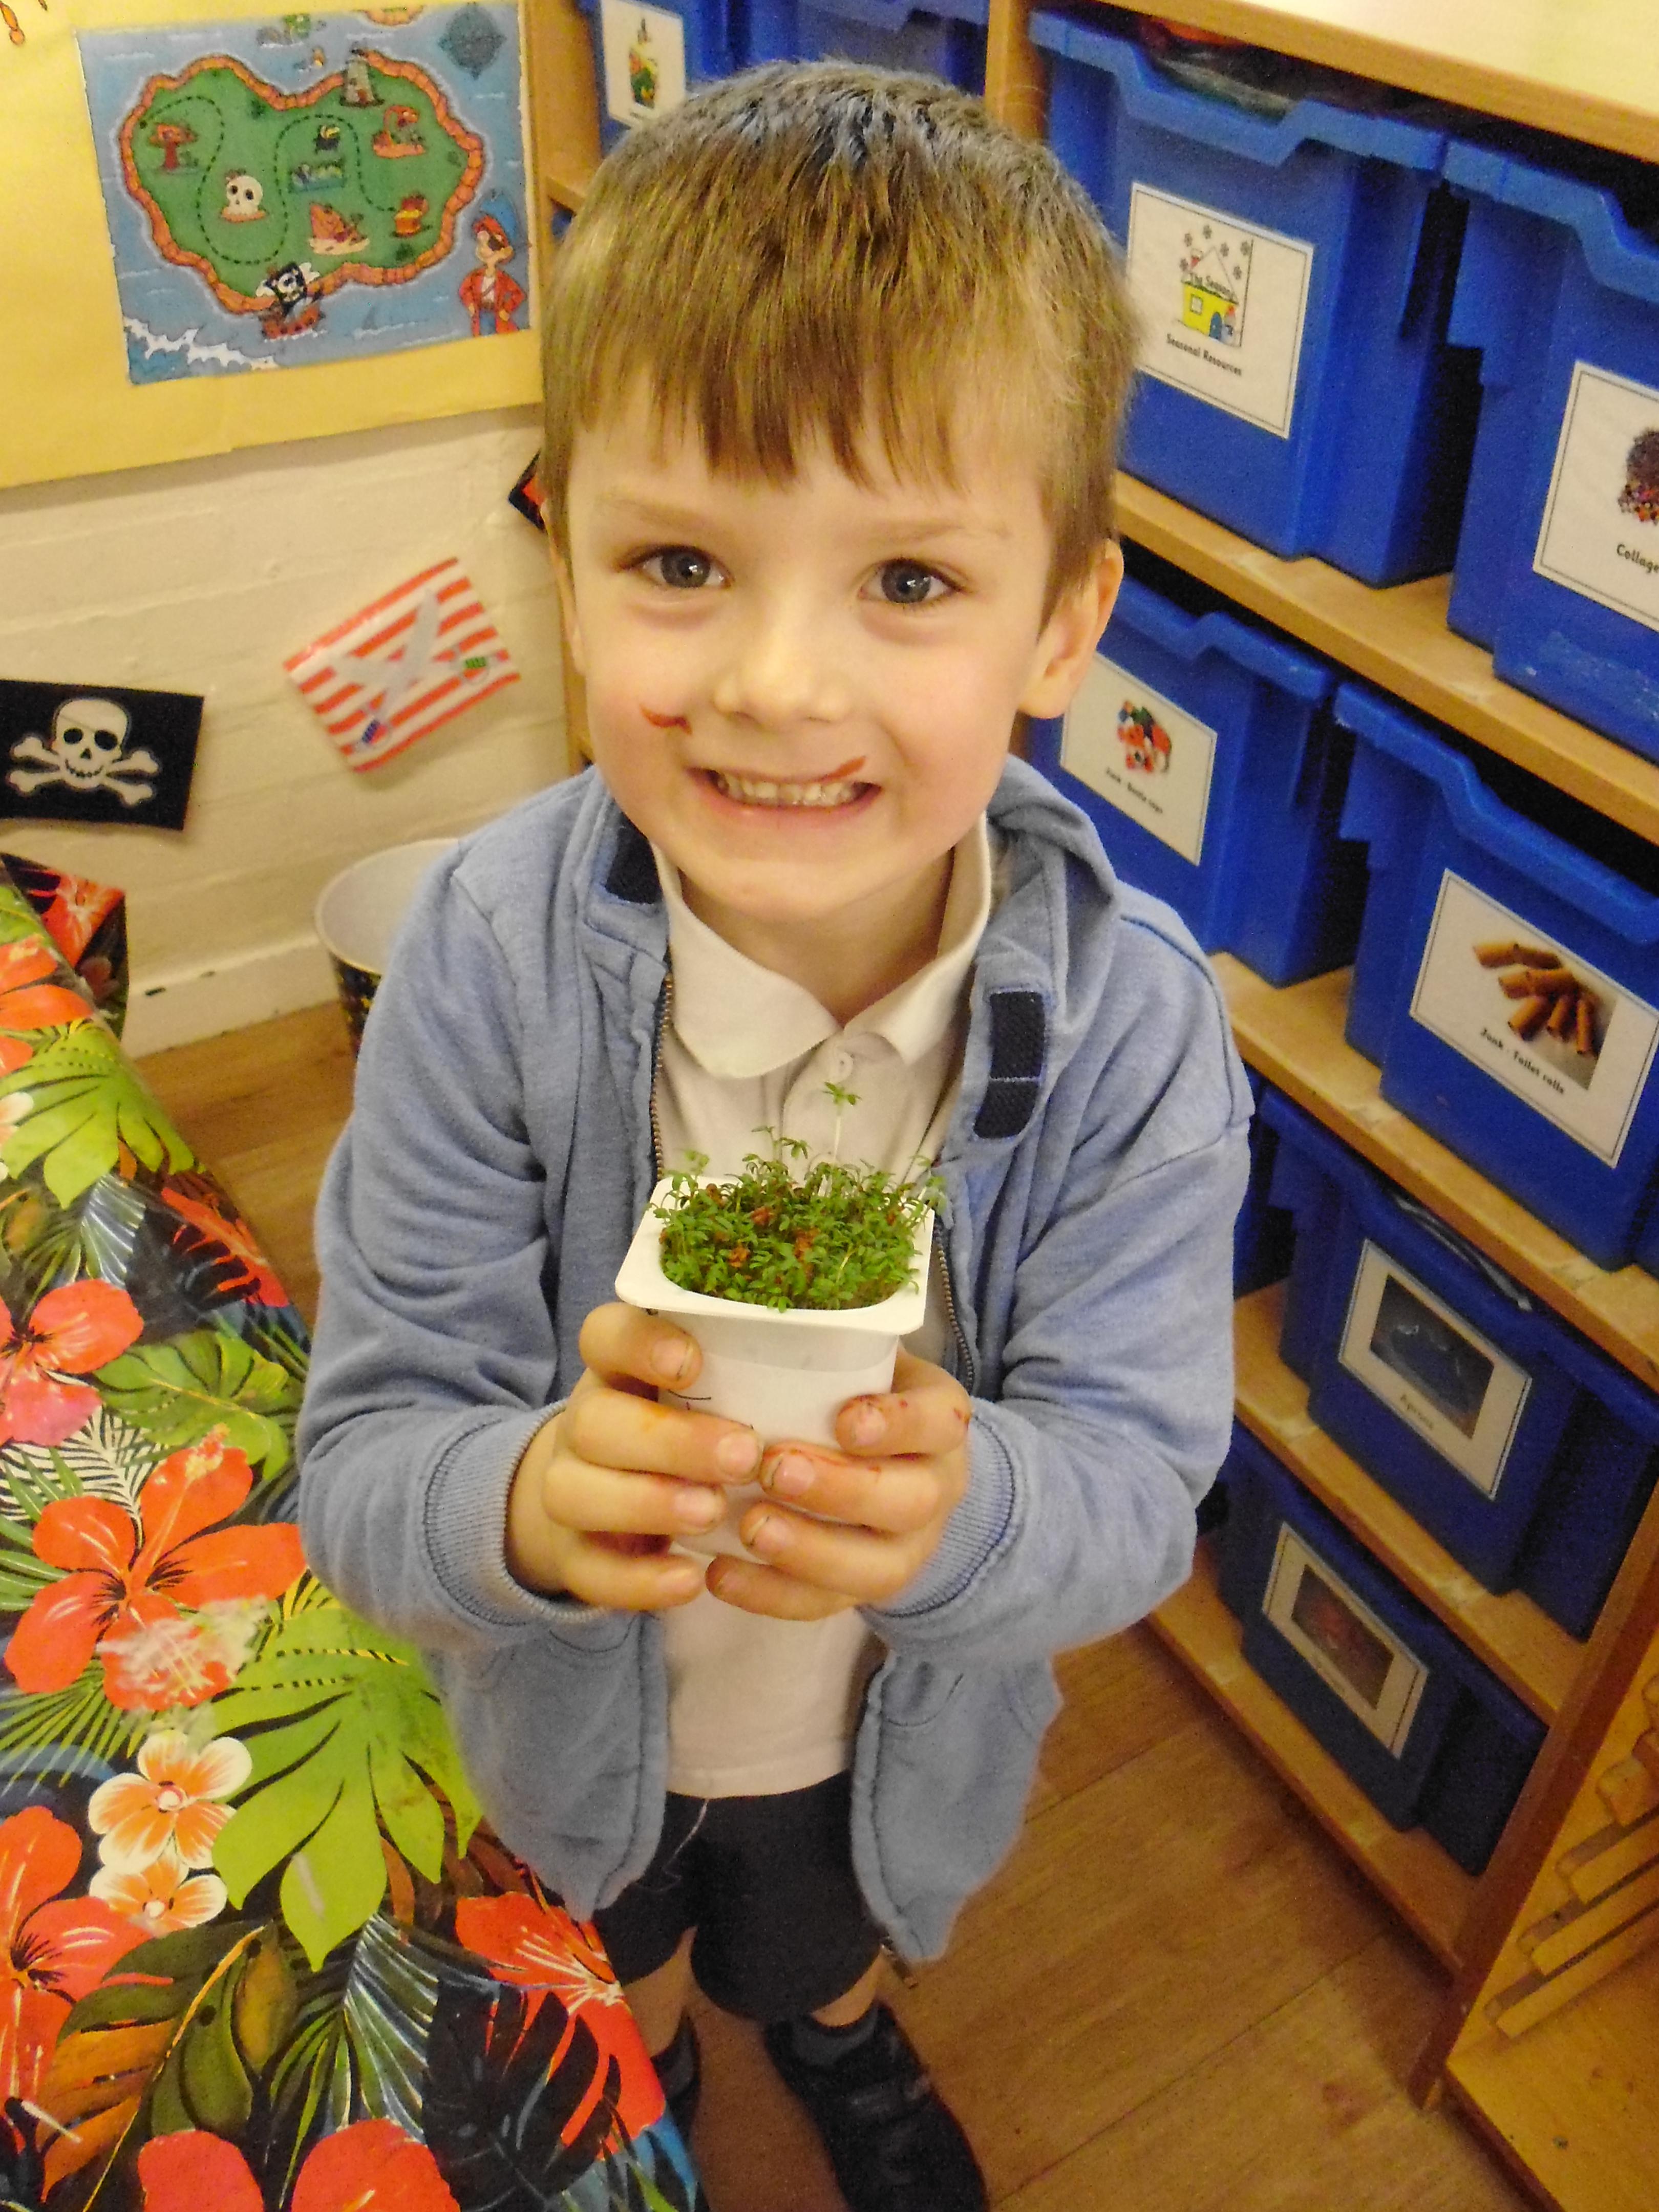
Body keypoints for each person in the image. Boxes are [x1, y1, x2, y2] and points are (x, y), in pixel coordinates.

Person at [297, 61, 1250, 2212]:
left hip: (882, 1736)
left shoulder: (1133, 1033)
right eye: (681, 563)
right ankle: (643, 2078)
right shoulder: (483, 962)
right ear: (567, 568)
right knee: (617, 1954)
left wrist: (967, 1507)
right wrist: (525, 1499)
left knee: (815, 1944)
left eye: (908, 579)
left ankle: (832, 2039)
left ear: (1062, 623)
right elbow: (362, 1469)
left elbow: (1136, 1493)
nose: (778, 684)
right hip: (572, 1723)